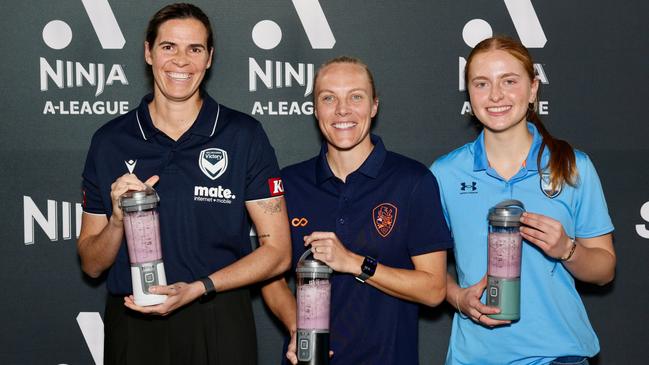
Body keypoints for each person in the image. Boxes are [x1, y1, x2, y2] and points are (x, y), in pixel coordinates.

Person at [77, 3, 291, 364]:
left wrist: (198, 288)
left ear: (209, 59)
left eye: (194, 49)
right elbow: (92, 264)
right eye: (168, 47)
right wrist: (116, 220)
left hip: (218, 315)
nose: (181, 61)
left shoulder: (243, 135)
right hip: (135, 318)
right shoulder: (111, 140)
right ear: (148, 52)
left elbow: (279, 252)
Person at [431, 36, 616, 365]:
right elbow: (426, 270)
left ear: (533, 89)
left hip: (558, 356)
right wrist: (458, 297)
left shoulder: (573, 167)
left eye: (509, 81)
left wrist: (567, 249)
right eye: (482, 83)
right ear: (469, 94)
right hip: (474, 358)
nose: (496, 95)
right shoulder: (445, 174)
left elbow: (604, 269)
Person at [261, 56, 453, 365]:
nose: (342, 110)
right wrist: (297, 325)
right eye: (328, 98)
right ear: (314, 108)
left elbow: (433, 290)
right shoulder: (289, 184)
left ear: (374, 106)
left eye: (356, 97)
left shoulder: (412, 181)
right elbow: (270, 278)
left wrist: (354, 262)